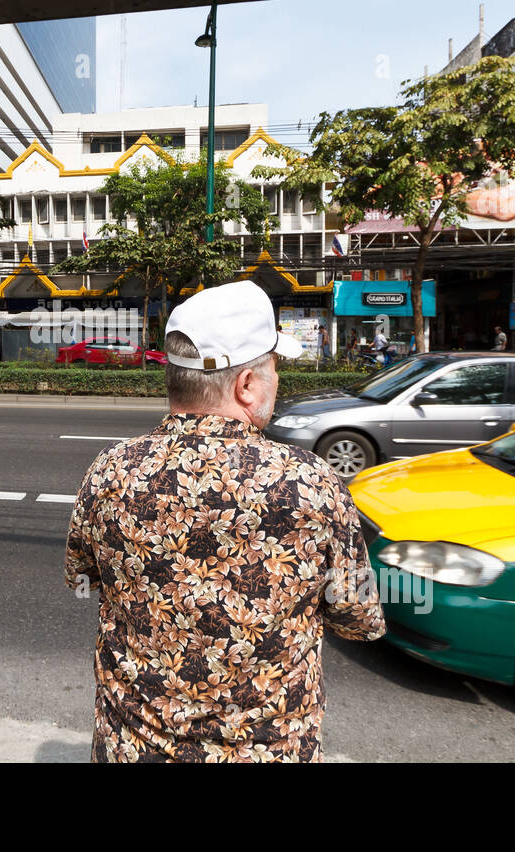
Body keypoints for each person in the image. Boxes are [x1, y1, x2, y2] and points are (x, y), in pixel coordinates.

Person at [64, 281, 385, 762]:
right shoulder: (313, 483)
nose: (279, 381)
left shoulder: (110, 470)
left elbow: (83, 578)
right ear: (247, 385)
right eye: (274, 368)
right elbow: (358, 619)